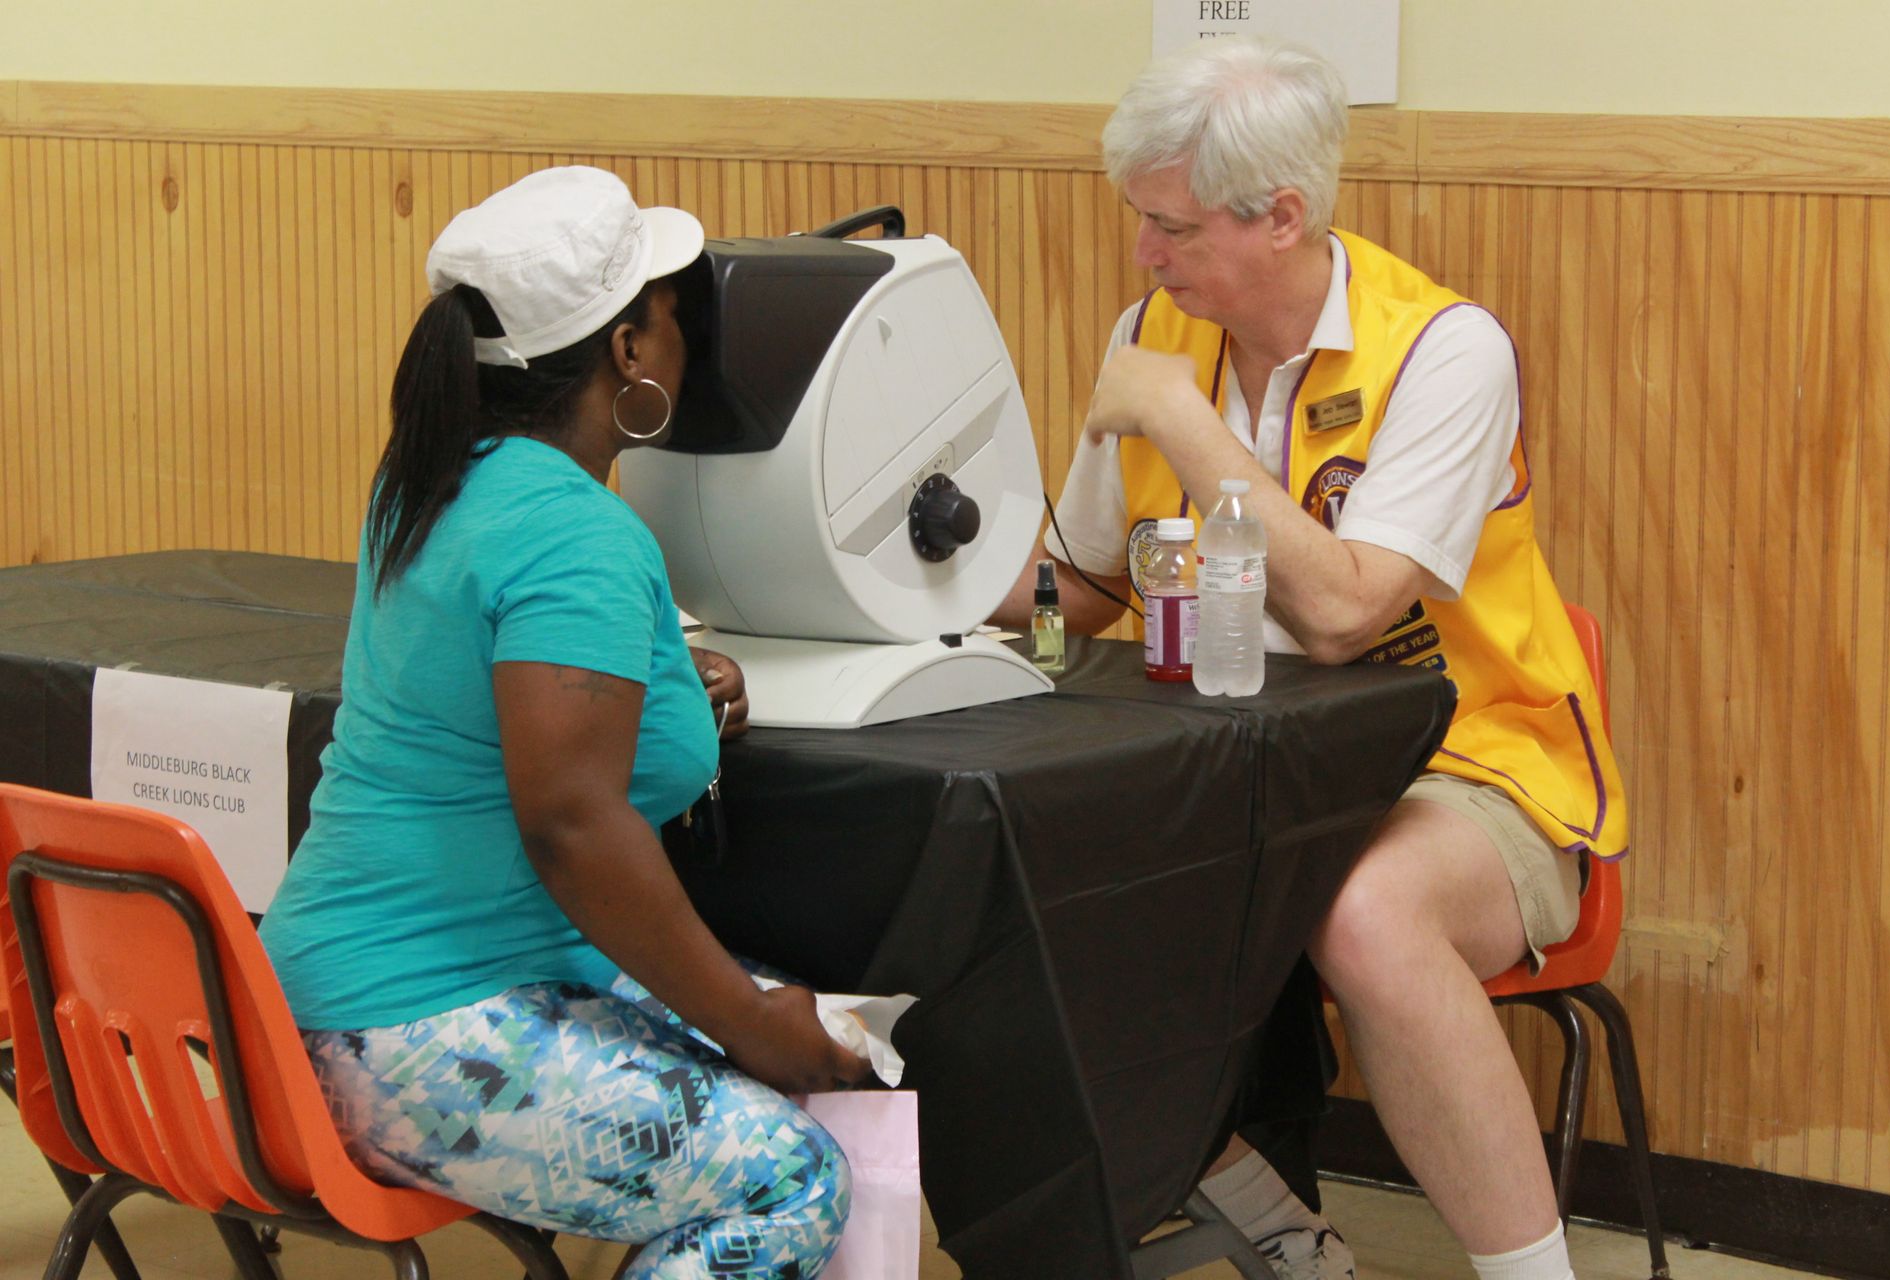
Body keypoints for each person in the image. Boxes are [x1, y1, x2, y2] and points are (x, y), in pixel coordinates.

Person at [992, 38, 1629, 1280]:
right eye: (1140, 222)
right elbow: (1090, 587)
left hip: (1473, 766)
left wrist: (1180, 414)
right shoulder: (1158, 324)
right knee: (1024, 868)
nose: (1145, 257)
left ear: (1280, 216)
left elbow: (1344, 611)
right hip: (1235, 765)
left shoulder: (1447, 350)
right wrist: (912, 573)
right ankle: (1275, 1223)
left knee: (1364, 907)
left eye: (1169, 227)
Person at [261, 166, 867, 1280]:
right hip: (411, 1027)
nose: (685, 337)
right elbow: (571, 821)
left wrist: (657, 675)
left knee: (773, 1025)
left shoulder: (434, 483)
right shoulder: (576, 532)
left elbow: (503, 703)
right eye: (674, 315)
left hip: (312, 1001)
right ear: (630, 350)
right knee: (791, 1174)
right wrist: (749, 1023)